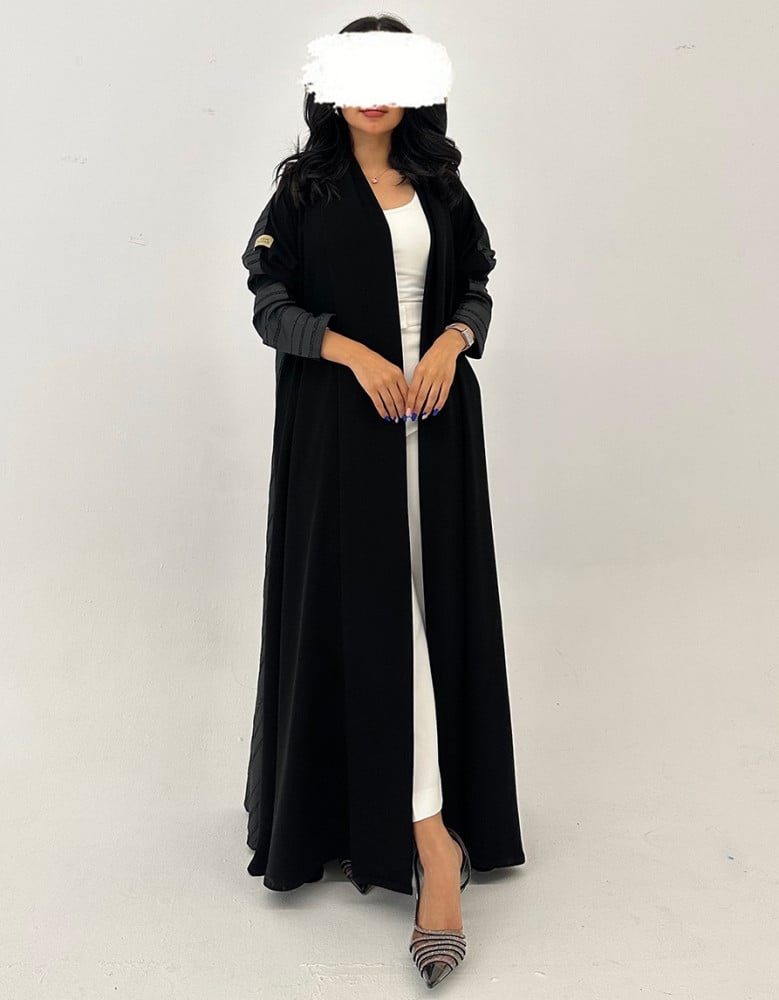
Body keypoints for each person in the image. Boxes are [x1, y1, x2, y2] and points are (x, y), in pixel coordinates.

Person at [241, 16, 526, 989]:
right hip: (342, 434)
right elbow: (268, 301)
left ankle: (428, 822)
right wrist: (352, 352)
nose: (372, 92)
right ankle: (431, 845)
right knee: (375, 622)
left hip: (435, 430)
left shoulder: (440, 184)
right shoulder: (304, 190)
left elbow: (476, 283)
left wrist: (449, 342)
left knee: (430, 620)